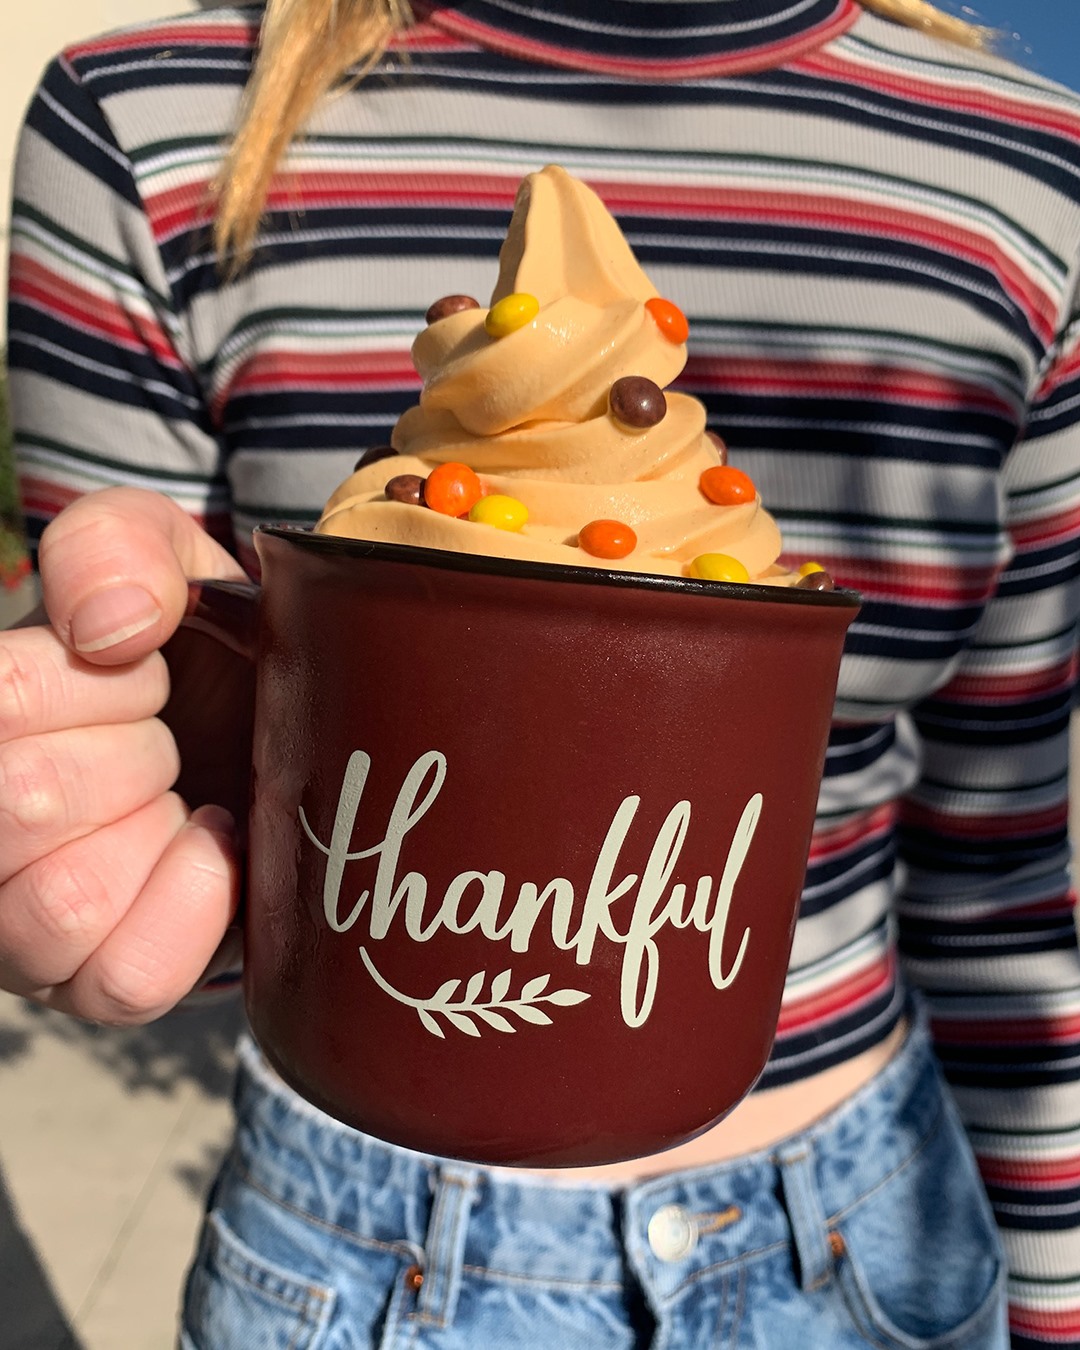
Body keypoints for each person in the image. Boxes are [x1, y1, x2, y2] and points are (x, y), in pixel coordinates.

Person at [4, 0, 1080, 1344]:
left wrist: (1055, 1295)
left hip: (871, 1230)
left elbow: (997, 871)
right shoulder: (154, 120)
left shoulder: (1034, 174)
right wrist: (113, 797)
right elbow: (171, 708)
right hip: (356, 1237)